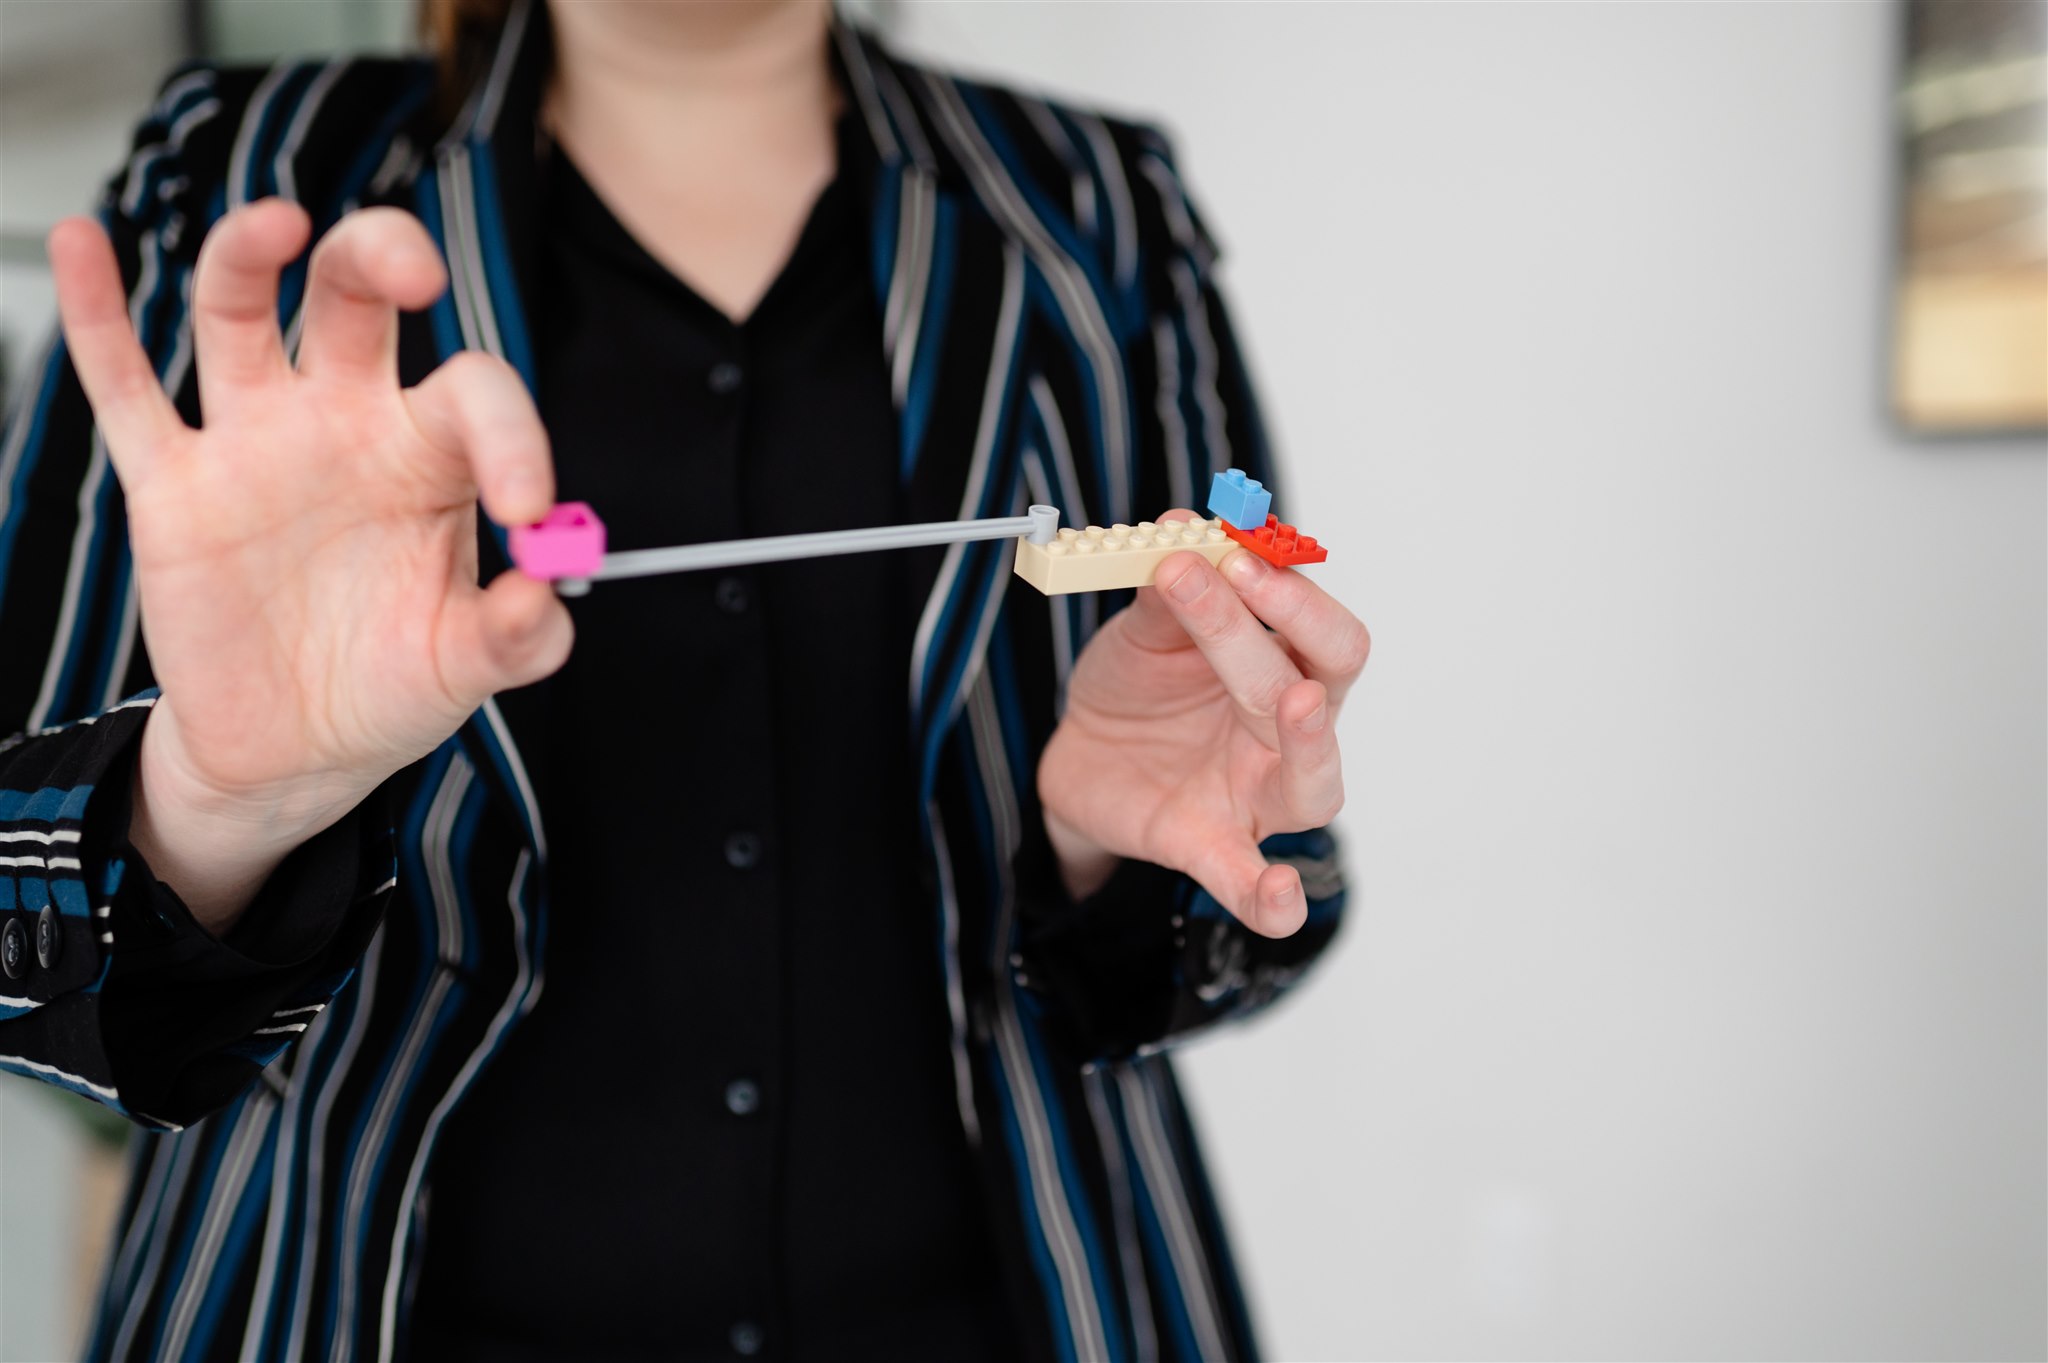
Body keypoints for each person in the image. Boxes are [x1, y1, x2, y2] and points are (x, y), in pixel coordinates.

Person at [0, 0, 1366, 1358]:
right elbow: (20, 926)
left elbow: (1254, 887)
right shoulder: (241, 170)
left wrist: (1115, 862)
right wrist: (219, 804)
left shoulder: (1098, 202)